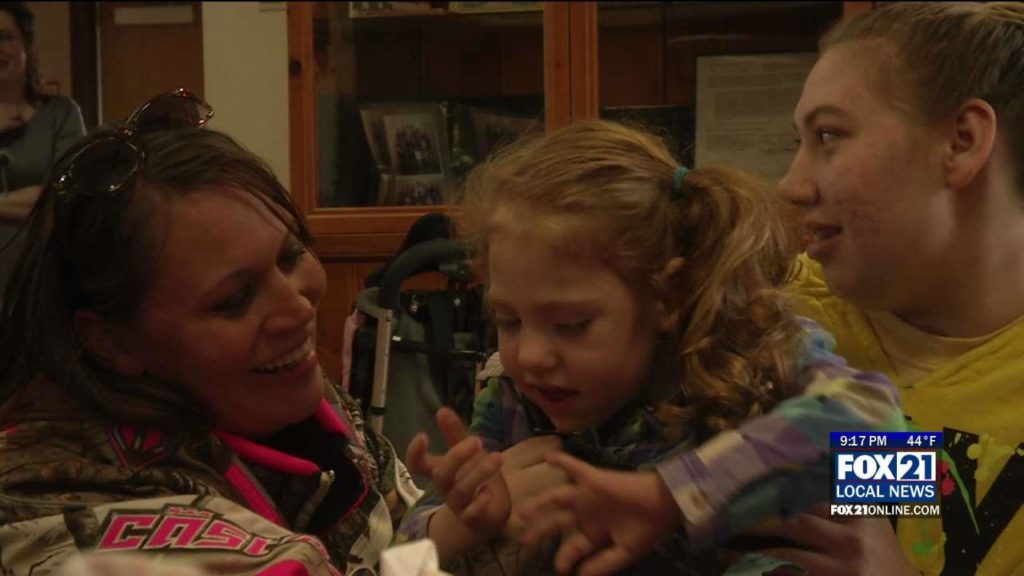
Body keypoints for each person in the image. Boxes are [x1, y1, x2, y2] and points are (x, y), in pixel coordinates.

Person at [518, 3, 1024, 576]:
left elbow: (907, 471)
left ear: (961, 142)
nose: (791, 184)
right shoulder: (750, 316)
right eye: (798, 142)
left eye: (828, 135)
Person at [395, 119, 906, 575]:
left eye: (571, 325)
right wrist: (460, 526)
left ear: (668, 295)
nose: (528, 355)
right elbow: (397, 559)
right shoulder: (513, 403)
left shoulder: (752, 357)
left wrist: (674, 495)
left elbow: (897, 457)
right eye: (506, 320)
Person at [0, 90, 421, 575]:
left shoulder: (308, 409)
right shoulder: (48, 494)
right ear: (112, 341)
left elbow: (408, 548)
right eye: (234, 299)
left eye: (289, 256)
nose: (296, 309)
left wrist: (460, 527)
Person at [0, 1, 86, 292]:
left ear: (27, 44)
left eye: (5, 37)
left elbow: (62, 197)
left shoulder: (61, 114)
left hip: (41, 276)